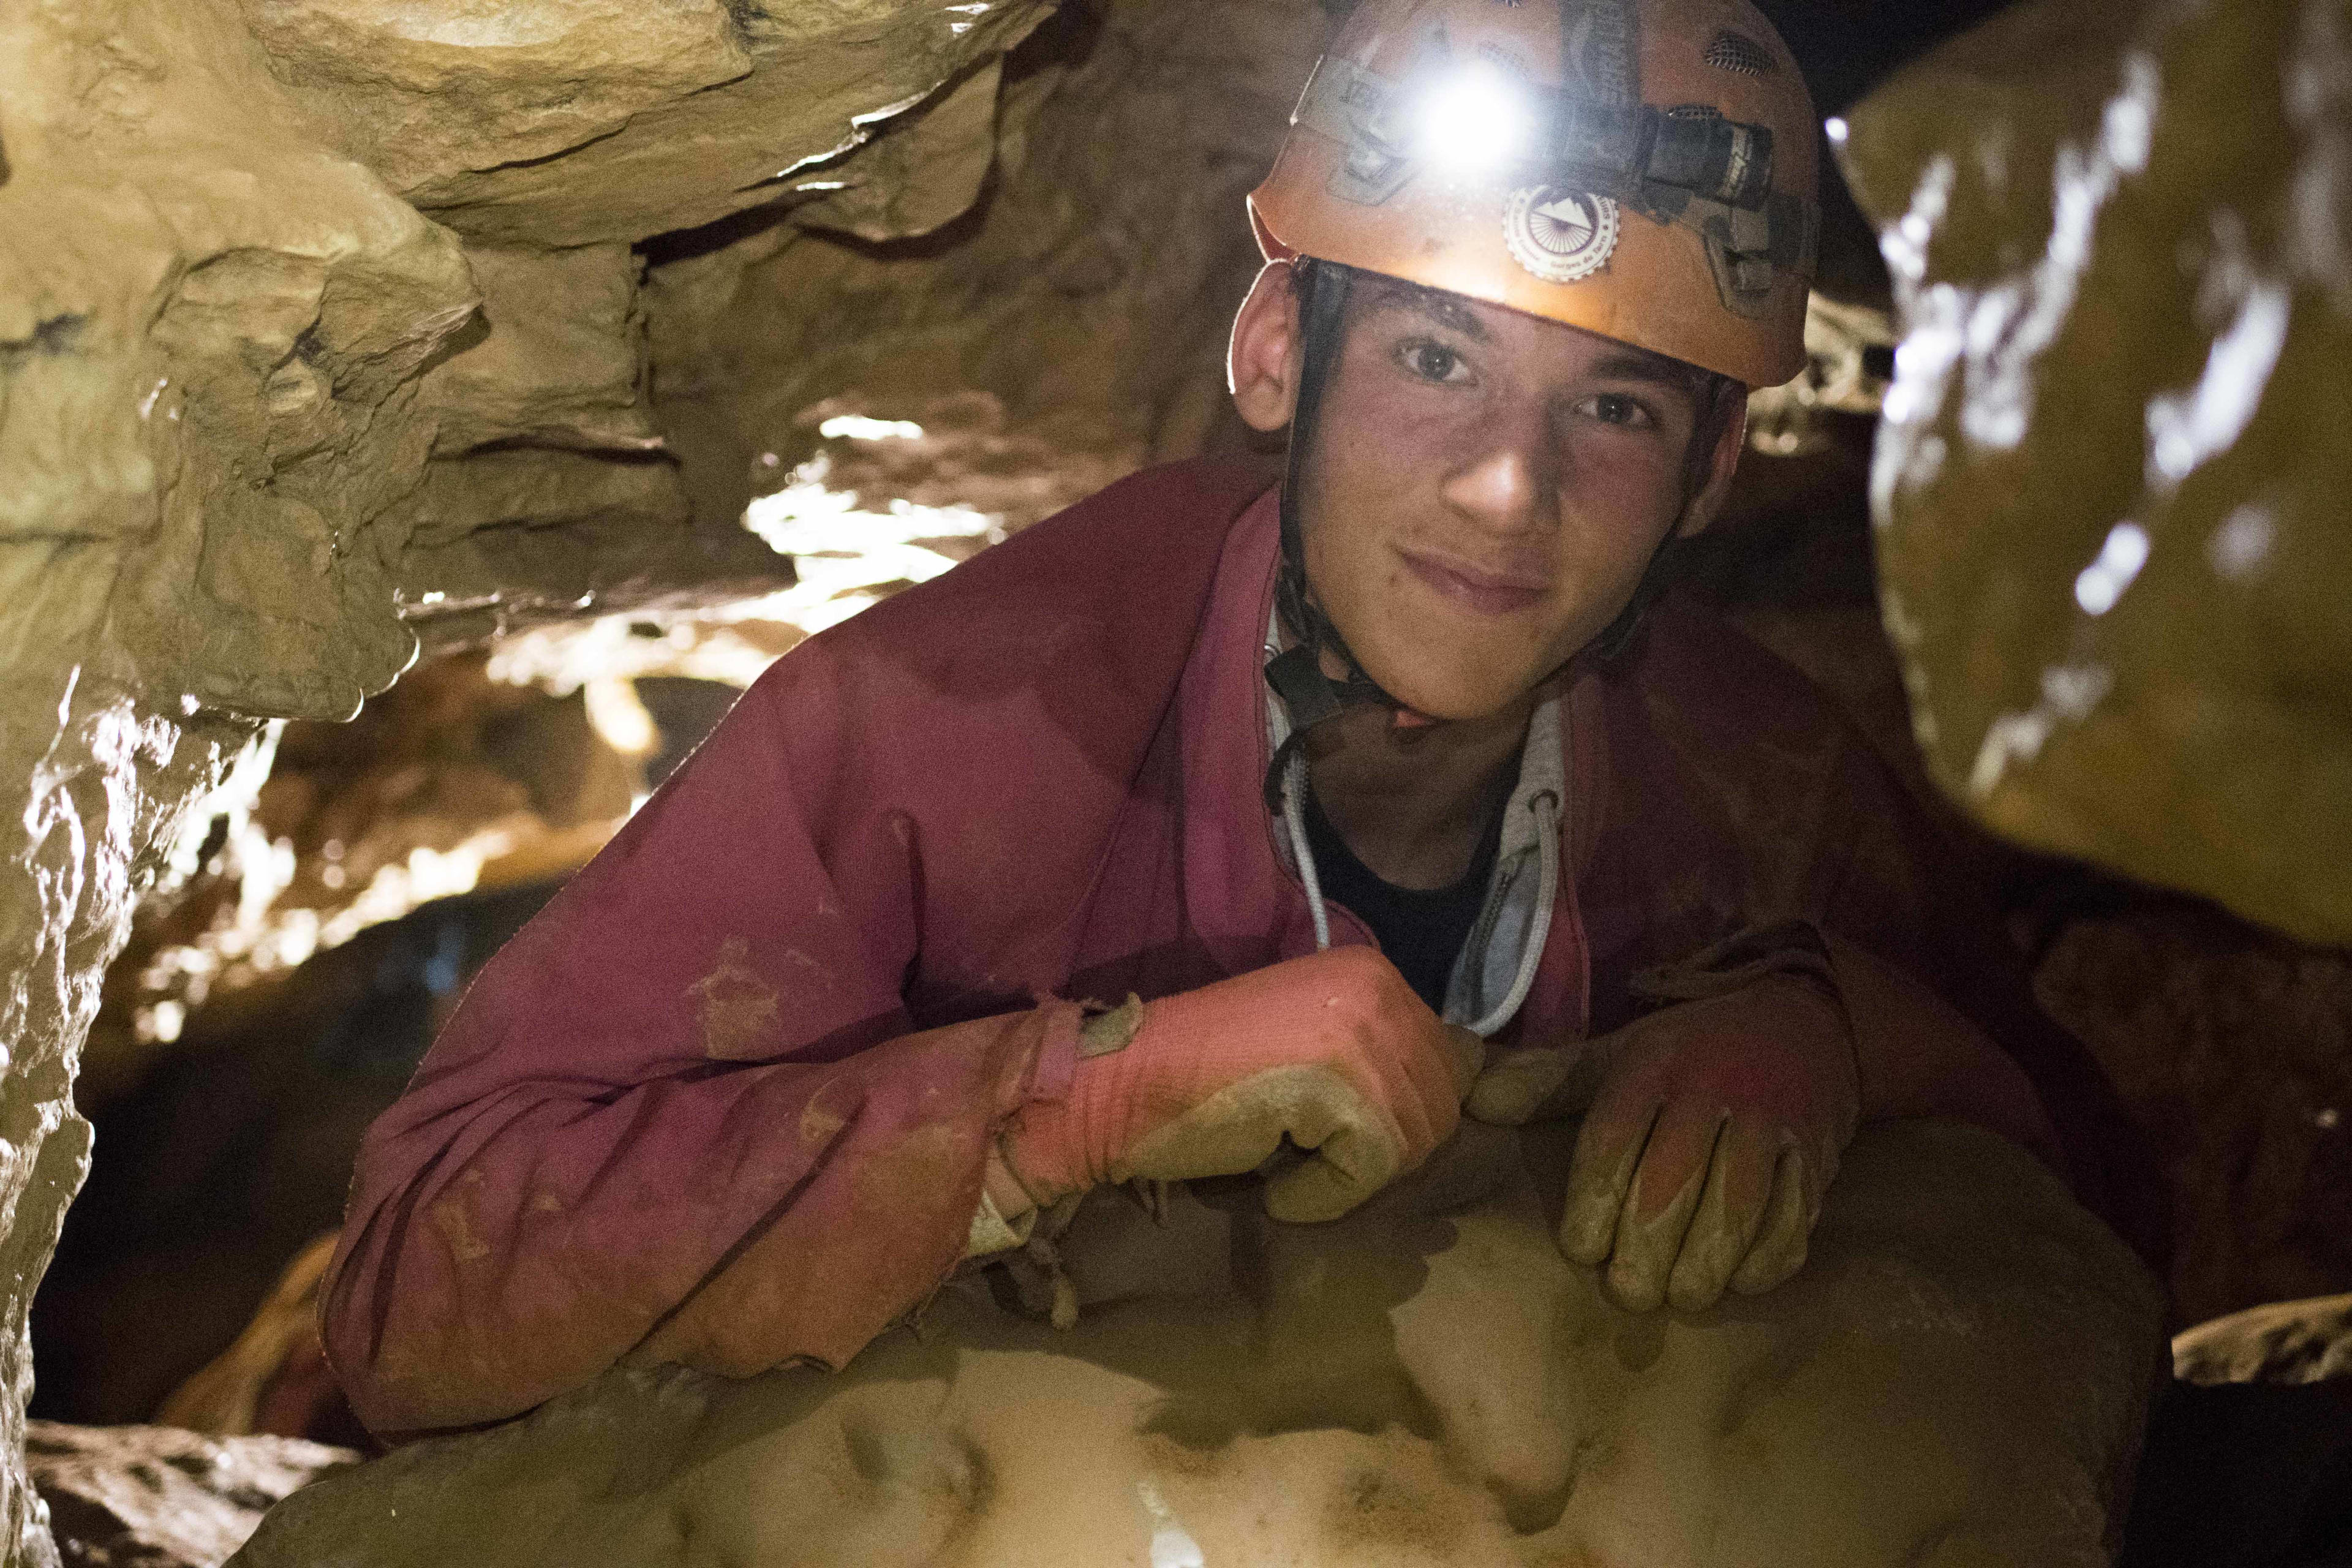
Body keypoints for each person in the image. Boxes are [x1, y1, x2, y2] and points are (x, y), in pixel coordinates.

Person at [320, 0, 2162, 1439]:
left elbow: (2109, 1211)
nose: (1508, 492)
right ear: (1284, 346)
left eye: (1612, 410)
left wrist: (1835, 1041)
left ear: (1709, 472)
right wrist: (1079, 1099)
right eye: (1438, 358)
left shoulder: (1752, 783)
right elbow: (417, 1289)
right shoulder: (944, 732)